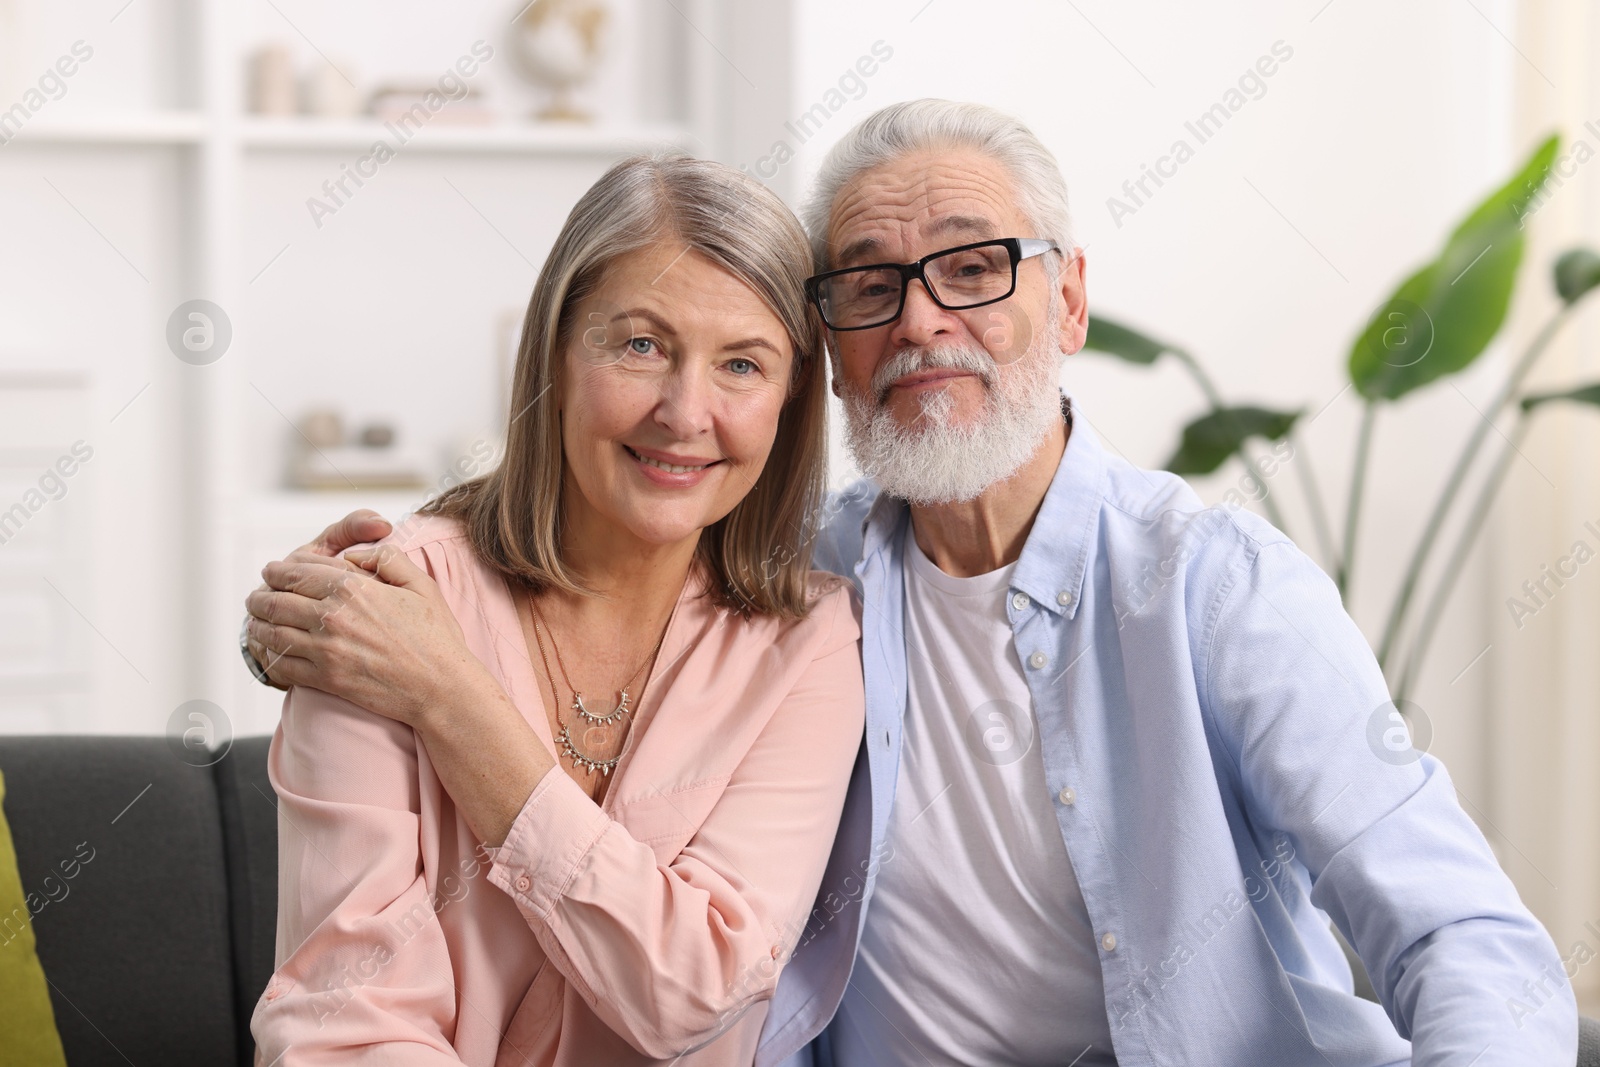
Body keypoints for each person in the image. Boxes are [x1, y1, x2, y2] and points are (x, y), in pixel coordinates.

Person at [248, 100, 1579, 1066]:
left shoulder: (1213, 586)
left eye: (974, 265)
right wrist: (355, 597)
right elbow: (585, 526)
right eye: (872, 285)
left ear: (1065, 304)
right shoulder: (803, 585)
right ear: (830, 350)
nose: (923, 320)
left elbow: (1466, 938)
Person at [243, 153, 865, 1065]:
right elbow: (348, 1022)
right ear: (557, 354)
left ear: (789, 403)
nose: (686, 413)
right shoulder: (388, 604)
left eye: (742, 364)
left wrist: (452, 699)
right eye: (641, 345)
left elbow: (696, 989)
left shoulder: (807, 643)